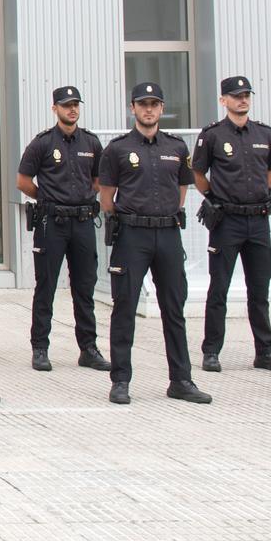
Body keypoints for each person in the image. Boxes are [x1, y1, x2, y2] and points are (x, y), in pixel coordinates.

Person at [98, 83, 208, 406]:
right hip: (133, 235)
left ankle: (181, 380)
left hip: (168, 235)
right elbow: (107, 197)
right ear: (133, 108)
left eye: (154, 104)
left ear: (162, 108)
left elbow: (182, 189)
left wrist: (166, 215)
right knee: (125, 308)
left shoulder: (177, 147)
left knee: (174, 309)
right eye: (143, 104)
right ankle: (120, 380)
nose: (149, 110)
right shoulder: (117, 149)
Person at [192, 75, 271, 374]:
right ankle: (211, 351)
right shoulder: (212, 135)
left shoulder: (264, 133)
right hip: (227, 220)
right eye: (236, 96)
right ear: (224, 101)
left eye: (246, 94)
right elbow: (198, 173)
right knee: (219, 288)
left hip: (258, 220)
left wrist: (262, 193)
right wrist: (213, 198)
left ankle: (265, 351)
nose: (242, 99)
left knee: (259, 290)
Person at [15, 86, 107, 373]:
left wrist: (83, 197)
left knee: (84, 287)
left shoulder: (91, 143)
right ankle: (40, 348)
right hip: (51, 222)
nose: (72, 109)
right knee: (47, 286)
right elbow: (22, 180)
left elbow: (98, 180)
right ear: (55, 108)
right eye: (66, 105)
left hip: (81, 222)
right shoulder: (42, 143)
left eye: (75, 104)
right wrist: (47, 198)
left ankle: (88, 348)